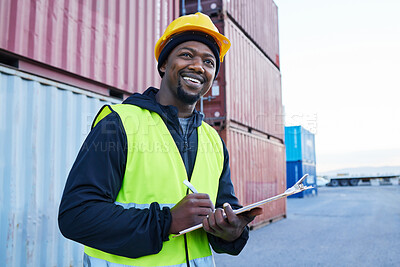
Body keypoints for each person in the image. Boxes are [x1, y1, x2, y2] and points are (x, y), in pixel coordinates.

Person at [58, 12, 262, 267]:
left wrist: (232, 233)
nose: (199, 66)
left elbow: (224, 210)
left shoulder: (214, 141)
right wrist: (167, 221)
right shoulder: (119, 123)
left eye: (209, 62)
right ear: (164, 64)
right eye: (187, 55)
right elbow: (76, 216)